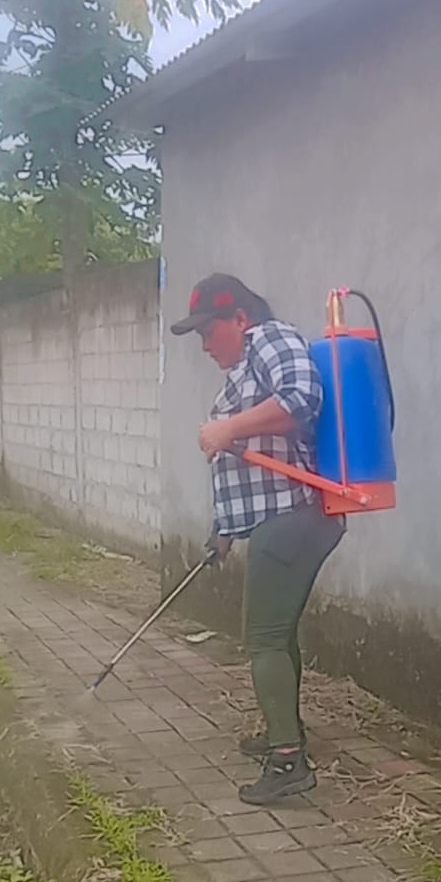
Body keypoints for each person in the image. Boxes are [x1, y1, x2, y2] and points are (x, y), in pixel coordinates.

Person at [171, 273, 344, 807]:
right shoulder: (241, 374)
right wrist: (224, 532)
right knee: (278, 633)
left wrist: (227, 429)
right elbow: (253, 467)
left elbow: (302, 397)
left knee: (264, 638)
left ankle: (288, 761)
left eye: (209, 331)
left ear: (240, 319)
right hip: (279, 518)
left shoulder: (268, 338)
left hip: (293, 516)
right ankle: (281, 730)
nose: (204, 345)